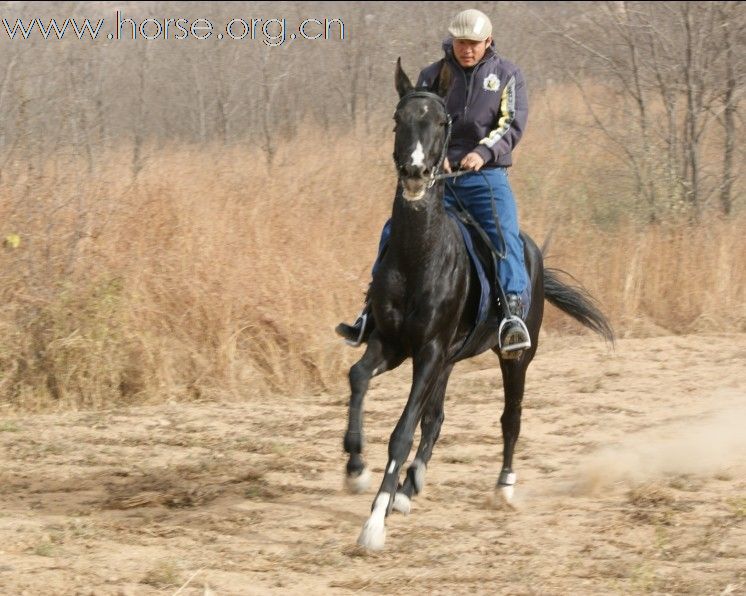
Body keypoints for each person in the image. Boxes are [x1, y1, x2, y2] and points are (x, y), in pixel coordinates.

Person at [337, 8, 531, 356]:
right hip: (435, 176)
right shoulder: (431, 76)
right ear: (452, 41)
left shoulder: (506, 75)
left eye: (473, 43)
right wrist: (433, 156)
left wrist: (482, 154)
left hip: (484, 177)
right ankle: (370, 312)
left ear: (488, 41)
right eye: (461, 42)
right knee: (392, 231)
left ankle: (512, 317)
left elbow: (511, 125)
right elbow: (420, 124)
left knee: (505, 237)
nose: (466, 49)